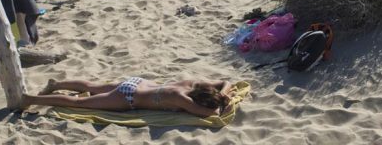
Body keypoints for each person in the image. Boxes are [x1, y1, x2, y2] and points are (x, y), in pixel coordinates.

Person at [21, 78, 235, 117]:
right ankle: (31, 99)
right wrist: (226, 103)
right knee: (80, 103)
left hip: (137, 82)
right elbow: (210, 113)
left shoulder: (191, 83)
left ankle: (56, 84)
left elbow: (226, 81)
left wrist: (223, 93)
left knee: (92, 86)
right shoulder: (181, 98)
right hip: (128, 97)